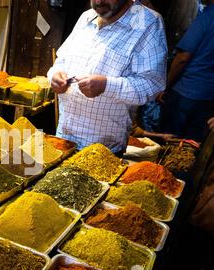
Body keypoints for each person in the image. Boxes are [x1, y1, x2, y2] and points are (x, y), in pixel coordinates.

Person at [48, 0, 167, 156]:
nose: (98, 1)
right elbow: (61, 60)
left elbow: (152, 83)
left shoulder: (148, 23)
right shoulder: (87, 17)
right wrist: (55, 76)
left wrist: (106, 86)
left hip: (103, 150)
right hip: (64, 138)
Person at [159, 0, 214, 142]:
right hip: (208, 97)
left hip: (186, 94)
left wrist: (164, 85)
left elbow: (183, 58)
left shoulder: (207, 16)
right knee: (192, 145)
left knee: (170, 141)